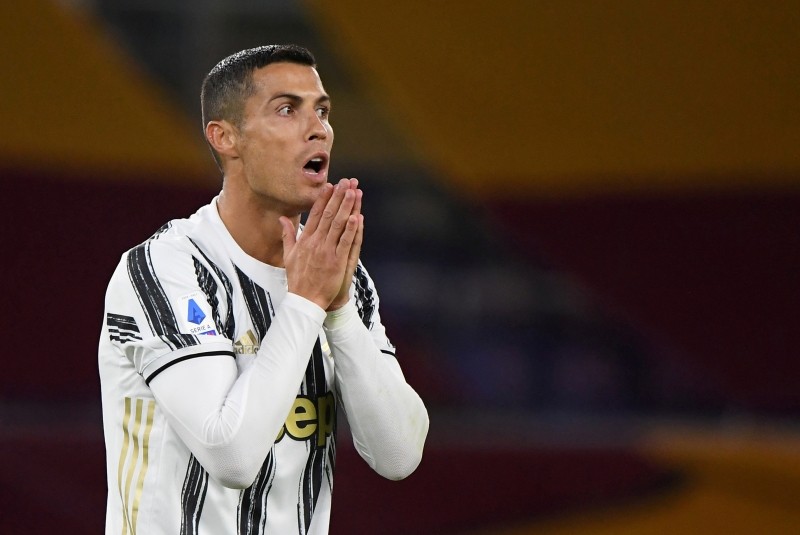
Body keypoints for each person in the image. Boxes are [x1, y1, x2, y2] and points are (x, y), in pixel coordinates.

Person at [98, 44, 429, 535]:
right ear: (225, 137)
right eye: (287, 109)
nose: (317, 127)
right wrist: (307, 303)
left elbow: (398, 454)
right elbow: (229, 454)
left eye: (322, 110)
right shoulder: (165, 267)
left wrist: (338, 310)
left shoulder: (342, 279)